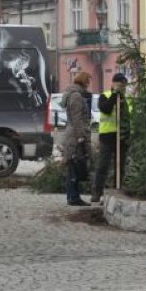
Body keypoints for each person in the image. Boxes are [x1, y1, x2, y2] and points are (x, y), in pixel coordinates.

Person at [91, 72, 132, 204]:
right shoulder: (105, 96)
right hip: (108, 135)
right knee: (103, 165)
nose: (123, 88)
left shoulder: (128, 98)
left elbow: (131, 117)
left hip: (123, 136)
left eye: (124, 86)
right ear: (113, 84)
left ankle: (117, 191)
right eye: (120, 85)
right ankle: (97, 192)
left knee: (120, 166)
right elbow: (106, 109)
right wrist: (115, 94)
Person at [61, 70, 92, 206]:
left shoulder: (73, 94)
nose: (89, 85)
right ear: (84, 82)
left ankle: (72, 196)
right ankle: (73, 197)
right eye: (88, 82)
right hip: (75, 137)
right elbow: (77, 119)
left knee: (72, 167)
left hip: (72, 134)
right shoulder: (76, 96)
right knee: (74, 166)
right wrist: (81, 137)